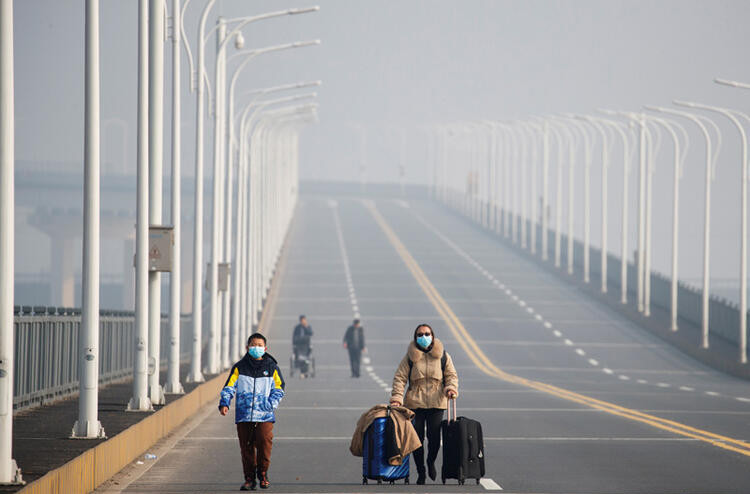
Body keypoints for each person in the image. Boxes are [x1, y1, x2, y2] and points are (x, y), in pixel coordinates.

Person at [389, 323, 458, 485]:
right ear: (415, 337)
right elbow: (400, 378)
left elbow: (451, 375)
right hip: (415, 403)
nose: (424, 337)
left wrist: (451, 388)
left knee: (434, 439)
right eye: (420, 334)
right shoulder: (409, 357)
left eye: (427, 334)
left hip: (436, 403)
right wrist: (397, 397)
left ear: (432, 336)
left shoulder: (443, 356)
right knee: (417, 439)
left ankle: (430, 461)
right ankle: (421, 471)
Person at [219, 333, 285, 491]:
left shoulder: (271, 367)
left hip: (264, 415)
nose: (257, 348)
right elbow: (229, 387)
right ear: (247, 348)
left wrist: (270, 404)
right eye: (253, 345)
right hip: (244, 415)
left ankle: (262, 474)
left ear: (265, 348)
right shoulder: (239, 367)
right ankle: (249, 479)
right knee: (246, 448)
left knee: (264, 443)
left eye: (260, 345)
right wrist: (224, 403)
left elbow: (280, 387)